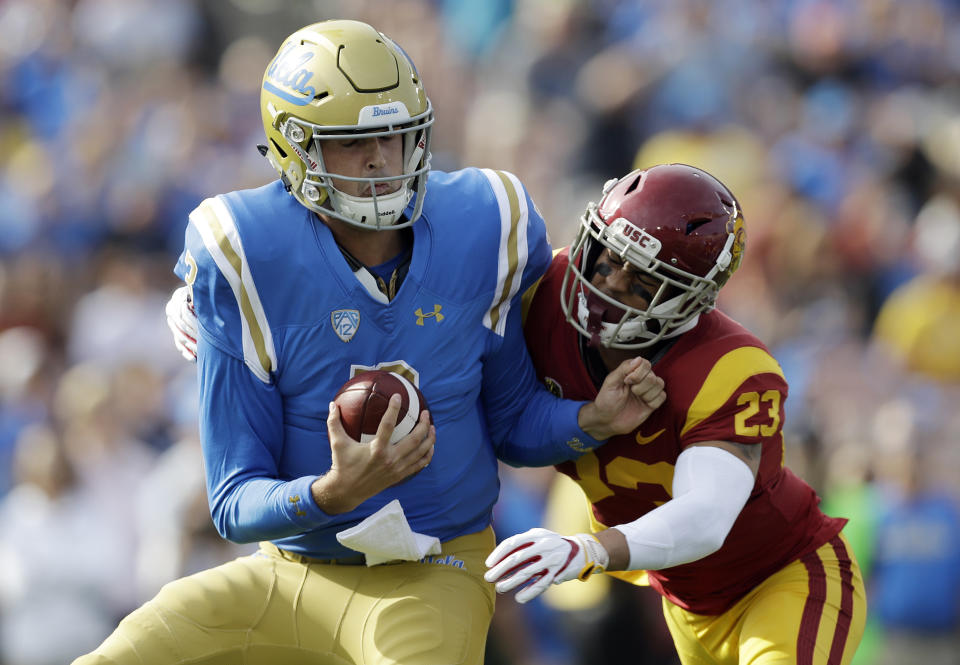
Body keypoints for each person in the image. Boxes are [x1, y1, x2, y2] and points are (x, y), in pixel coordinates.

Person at [75, 19, 661, 665]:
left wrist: (589, 419)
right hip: (288, 572)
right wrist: (332, 492)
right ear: (293, 147)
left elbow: (514, 423)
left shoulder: (487, 221)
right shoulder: (243, 251)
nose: (382, 159)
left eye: (396, 134)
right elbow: (233, 499)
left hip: (436, 569)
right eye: (354, 143)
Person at [483, 164, 867, 665]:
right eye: (608, 256)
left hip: (781, 579)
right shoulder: (542, 294)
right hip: (686, 603)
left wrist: (591, 550)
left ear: (691, 298)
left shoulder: (728, 367)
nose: (612, 282)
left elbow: (706, 517)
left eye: (643, 278)